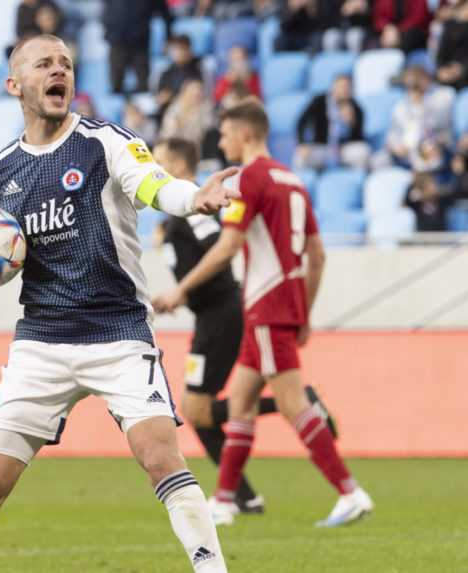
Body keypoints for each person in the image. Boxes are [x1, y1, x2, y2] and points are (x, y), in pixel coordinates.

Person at [0, 34, 238, 573]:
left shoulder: (105, 142)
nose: (60, 72)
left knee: (160, 456)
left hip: (118, 331)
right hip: (41, 343)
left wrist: (195, 199)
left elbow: (151, 184)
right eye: (45, 64)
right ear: (15, 85)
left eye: (66, 64)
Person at [152, 99, 373, 528]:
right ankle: (226, 500)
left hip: (266, 303)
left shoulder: (249, 179)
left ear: (246, 134)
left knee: (291, 403)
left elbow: (229, 245)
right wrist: (304, 312)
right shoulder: (291, 179)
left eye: (226, 133)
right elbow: (318, 254)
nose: (222, 141)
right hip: (277, 304)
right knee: (239, 402)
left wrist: (180, 289)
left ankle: (350, 492)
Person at [293, 75, 370, 171]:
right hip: (322, 148)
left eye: (346, 88)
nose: (343, 90)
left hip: (342, 151)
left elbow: (360, 138)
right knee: (300, 157)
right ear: (333, 87)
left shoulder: (356, 108)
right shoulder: (319, 101)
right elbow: (301, 122)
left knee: (363, 152)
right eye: (340, 87)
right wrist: (302, 143)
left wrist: (352, 123)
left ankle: (355, 177)